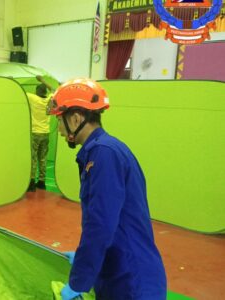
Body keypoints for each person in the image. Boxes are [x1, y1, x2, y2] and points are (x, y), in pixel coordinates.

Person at [49, 79, 167, 299]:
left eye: (60, 120)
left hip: (131, 281)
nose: (60, 130)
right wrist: (85, 258)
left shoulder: (103, 154)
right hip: (119, 270)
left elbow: (100, 225)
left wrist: (79, 281)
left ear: (75, 118)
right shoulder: (102, 150)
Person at [26, 75, 54, 192]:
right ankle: (42, 182)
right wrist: (43, 80)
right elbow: (54, 90)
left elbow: (19, 92)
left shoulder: (32, 98)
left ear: (36, 91)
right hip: (45, 133)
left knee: (33, 158)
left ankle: (31, 183)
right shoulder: (50, 99)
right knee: (42, 158)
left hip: (35, 133)